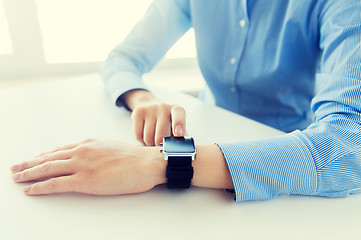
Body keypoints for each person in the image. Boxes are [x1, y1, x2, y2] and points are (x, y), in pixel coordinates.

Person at [10, 0, 361, 201]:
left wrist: (162, 163)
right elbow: (122, 59)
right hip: (207, 131)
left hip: (284, 155)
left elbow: (348, 147)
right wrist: (141, 97)